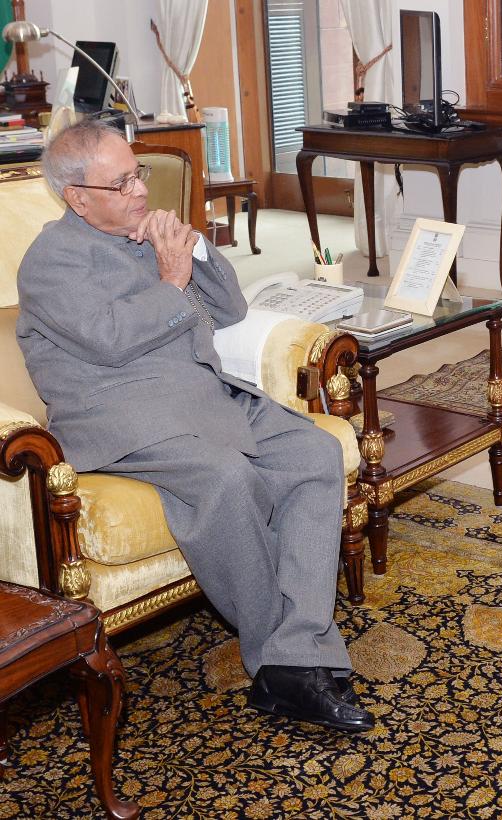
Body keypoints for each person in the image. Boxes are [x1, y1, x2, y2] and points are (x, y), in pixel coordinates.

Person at [17, 119, 374, 733]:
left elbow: (230, 310)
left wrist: (194, 247)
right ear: (77, 198)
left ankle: (293, 652)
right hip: (122, 415)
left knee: (314, 453)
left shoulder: (149, 234)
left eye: (137, 173)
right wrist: (172, 278)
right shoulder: (51, 262)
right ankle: (289, 664)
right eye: (121, 183)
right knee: (228, 479)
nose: (139, 190)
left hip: (202, 396)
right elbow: (109, 341)